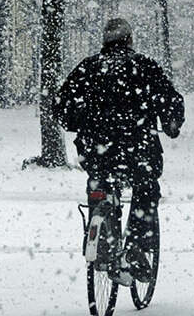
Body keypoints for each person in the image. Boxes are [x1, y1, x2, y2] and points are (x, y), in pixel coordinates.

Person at [52, 18, 184, 285]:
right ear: (130, 40)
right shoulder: (144, 67)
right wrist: (170, 125)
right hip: (137, 150)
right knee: (146, 188)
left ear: (105, 42)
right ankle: (136, 244)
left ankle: (100, 232)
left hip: (96, 150)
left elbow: (61, 104)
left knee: (99, 185)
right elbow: (169, 100)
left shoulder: (88, 68)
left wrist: (79, 123)